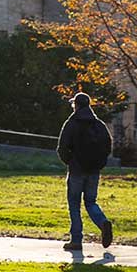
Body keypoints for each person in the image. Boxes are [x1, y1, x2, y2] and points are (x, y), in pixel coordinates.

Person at [57, 92, 114, 251]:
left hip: (76, 170)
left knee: (74, 204)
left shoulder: (71, 123)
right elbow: (108, 146)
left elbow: (62, 147)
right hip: (94, 171)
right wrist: (100, 163)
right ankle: (102, 223)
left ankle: (76, 240)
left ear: (76, 105)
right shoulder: (99, 125)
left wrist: (70, 161)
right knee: (91, 202)